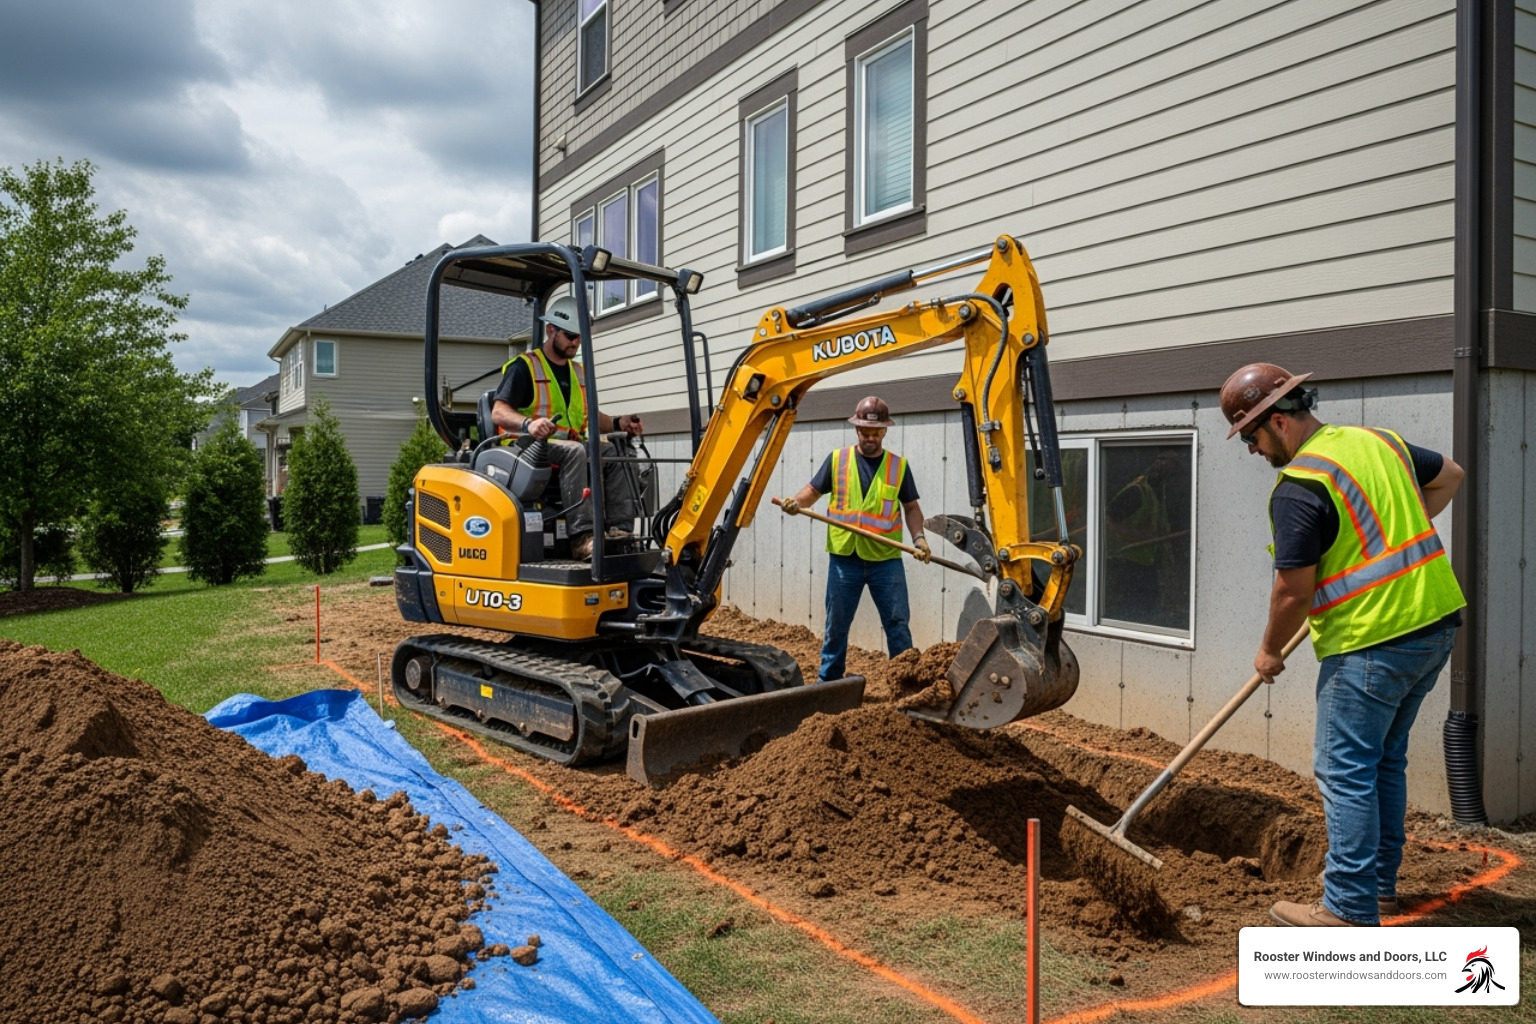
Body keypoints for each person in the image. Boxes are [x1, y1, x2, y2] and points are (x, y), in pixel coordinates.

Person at [1220, 362, 1466, 928]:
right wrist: (1385, 537)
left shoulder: (1301, 486)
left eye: (1251, 437)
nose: (1252, 451)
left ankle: (1349, 911)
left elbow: (1291, 591)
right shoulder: (1375, 441)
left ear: (1277, 422)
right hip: (1433, 627)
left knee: (1346, 770)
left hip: (1371, 644)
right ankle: (1377, 891)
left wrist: (1268, 652)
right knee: (1383, 764)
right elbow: (1449, 475)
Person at [780, 396, 933, 683]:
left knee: (898, 624)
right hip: (844, 560)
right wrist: (796, 503)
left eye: (876, 432)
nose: (871, 437)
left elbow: (911, 508)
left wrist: (920, 538)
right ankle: (829, 683)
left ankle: (906, 685)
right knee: (836, 624)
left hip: (885, 561)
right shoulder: (838, 460)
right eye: (865, 431)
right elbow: (812, 491)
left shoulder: (898, 466)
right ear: (856, 429)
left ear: (885, 431)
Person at [490, 295, 644, 559]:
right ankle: (582, 537)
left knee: (618, 451)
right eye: (571, 335)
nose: (576, 342)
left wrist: (620, 423)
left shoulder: (579, 372)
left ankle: (620, 531)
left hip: (566, 445)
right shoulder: (525, 367)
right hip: (525, 448)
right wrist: (529, 423)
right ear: (551, 330)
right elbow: (498, 412)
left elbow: (590, 416)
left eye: (580, 337)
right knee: (576, 451)